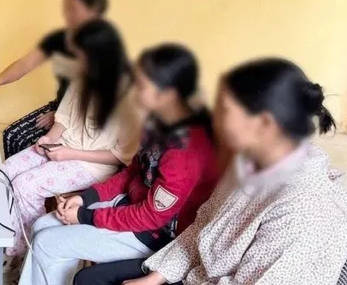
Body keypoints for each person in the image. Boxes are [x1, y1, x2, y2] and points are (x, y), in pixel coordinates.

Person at [120, 58, 347, 285]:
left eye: (225, 111)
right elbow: (203, 227)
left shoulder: (303, 212)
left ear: (264, 123)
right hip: (195, 274)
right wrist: (154, 278)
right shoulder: (249, 164)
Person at [16, 44, 219, 285]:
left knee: (47, 244)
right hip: (131, 206)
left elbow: (151, 218)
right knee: (41, 226)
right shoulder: (158, 121)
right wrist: (85, 199)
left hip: (157, 235)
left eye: (141, 85)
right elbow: (132, 171)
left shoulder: (185, 151)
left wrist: (84, 216)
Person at [3, 19, 142, 276]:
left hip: (94, 164)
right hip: (64, 147)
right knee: (5, 172)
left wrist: (70, 154)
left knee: (26, 186)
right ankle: (10, 238)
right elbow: (64, 118)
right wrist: (49, 139)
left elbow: (121, 157)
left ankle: (21, 253)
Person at [0, 0, 108, 158]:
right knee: (11, 135)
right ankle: (12, 175)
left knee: (24, 142)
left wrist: (61, 117)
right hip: (61, 107)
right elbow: (26, 63)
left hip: (82, 120)